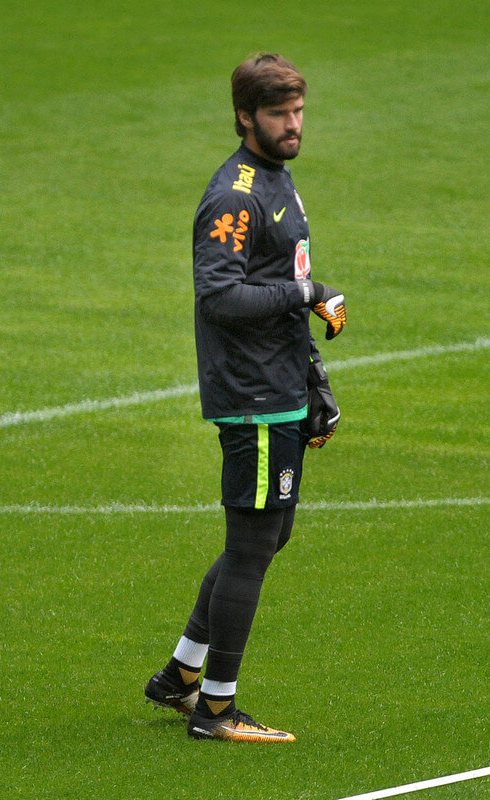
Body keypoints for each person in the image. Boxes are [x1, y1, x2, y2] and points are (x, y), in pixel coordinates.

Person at [145, 54, 347, 743]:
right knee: (254, 544)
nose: (292, 126)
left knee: (268, 535)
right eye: (278, 114)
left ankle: (181, 674)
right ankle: (216, 710)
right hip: (253, 398)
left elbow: (277, 278)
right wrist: (308, 295)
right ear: (244, 116)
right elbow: (221, 293)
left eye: (298, 112)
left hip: (280, 386)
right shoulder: (236, 194)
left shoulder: (276, 178)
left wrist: (312, 378)